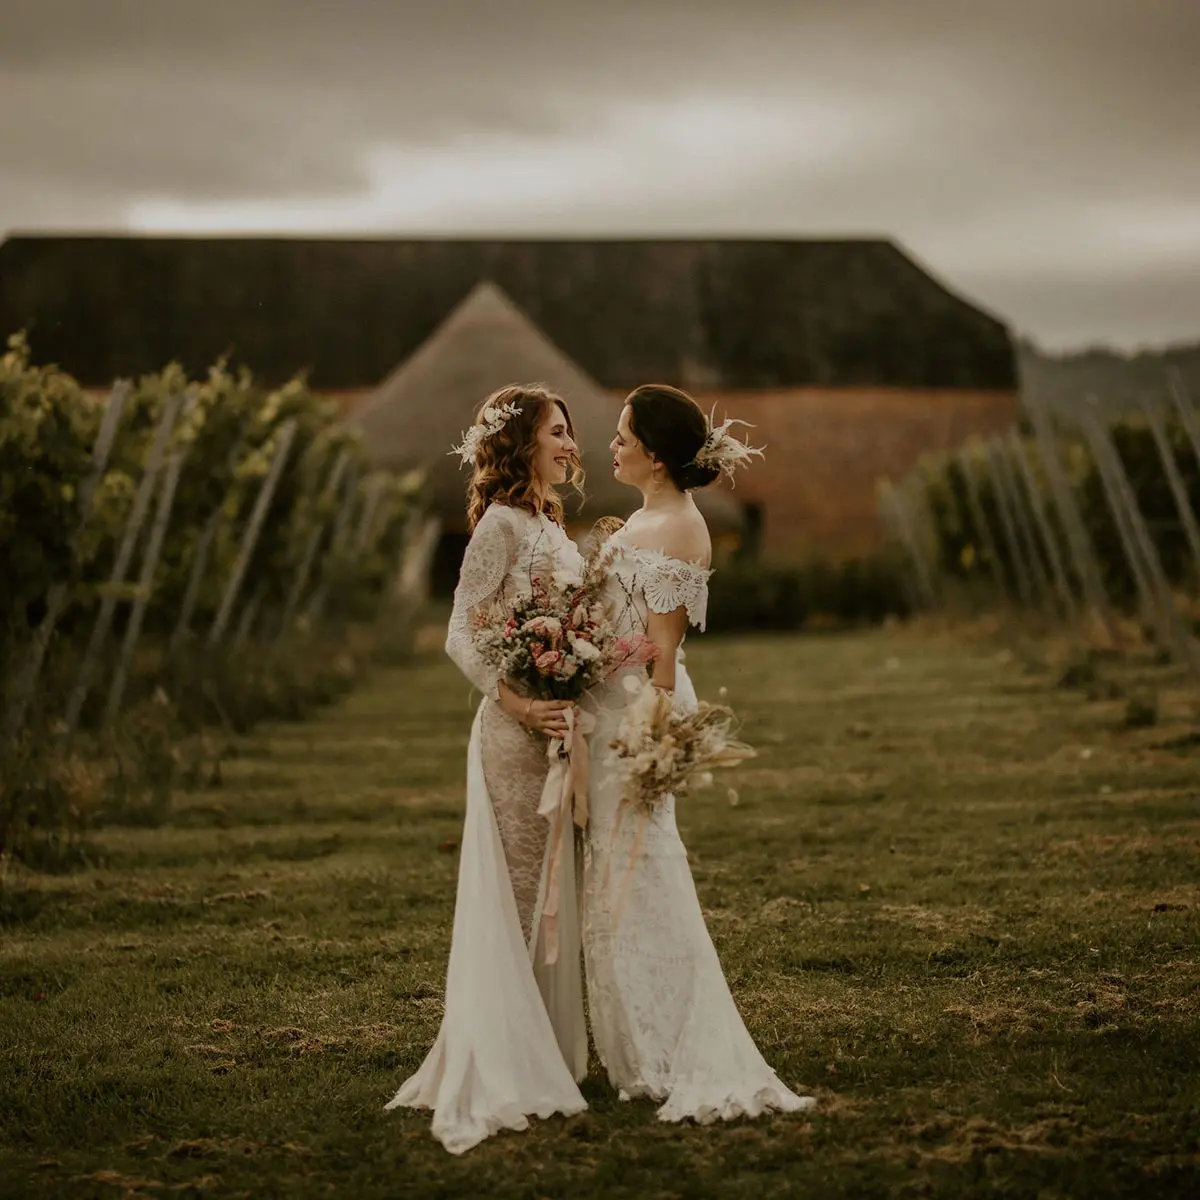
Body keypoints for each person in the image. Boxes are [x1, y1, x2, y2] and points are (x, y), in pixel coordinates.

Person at [581, 383, 816, 1124]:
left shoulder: (680, 527)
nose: (612, 444)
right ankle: (636, 1045)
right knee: (614, 876)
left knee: (642, 870)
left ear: (653, 451)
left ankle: (672, 1043)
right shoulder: (648, 516)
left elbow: (663, 649)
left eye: (622, 435)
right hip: (610, 703)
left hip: (640, 711)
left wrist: (650, 734)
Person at [386, 384, 589, 1154]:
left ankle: (547, 1047)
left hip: (559, 726)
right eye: (560, 432)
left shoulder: (550, 523)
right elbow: (461, 636)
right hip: (513, 733)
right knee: (514, 888)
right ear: (524, 444)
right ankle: (505, 1053)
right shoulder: (501, 526)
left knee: (551, 892)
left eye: (572, 433)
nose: (572, 445)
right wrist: (519, 704)